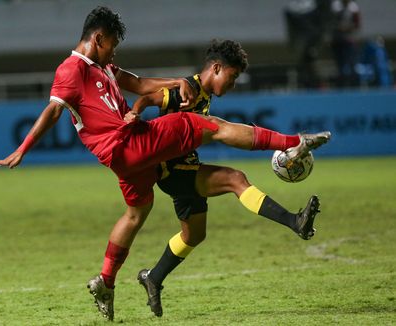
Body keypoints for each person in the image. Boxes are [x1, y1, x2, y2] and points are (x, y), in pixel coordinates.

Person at [0, 6, 331, 321]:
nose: (114, 52)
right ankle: (294, 142)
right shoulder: (71, 69)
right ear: (98, 39)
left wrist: (174, 81)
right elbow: (54, 109)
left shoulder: (104, 67)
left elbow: (139, 84)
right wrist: (24, 147)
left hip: (127, 161)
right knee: (209, 129)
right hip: (128, 144)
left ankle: (107, 282)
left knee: (139, 211)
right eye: (112, 45)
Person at [129, 39, 326, 317]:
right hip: (172, 171)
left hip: (185, 169)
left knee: (194, 234)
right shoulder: (188, 89)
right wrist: (135, 112)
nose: (233, 85)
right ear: (217, 68)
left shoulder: (204, 96)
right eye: (232, 78)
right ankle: (295, 222)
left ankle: (153, 277)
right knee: (235, 178)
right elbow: (151, 98)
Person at [330, 0, 361, 87]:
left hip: (349, 41)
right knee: (340, 66)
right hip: (338, 41)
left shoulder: (353, 7)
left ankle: (355, 86)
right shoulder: (335, 6)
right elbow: (330, 22)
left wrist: (347, 28)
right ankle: (341, 87)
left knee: (352, 64)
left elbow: (357, 25)